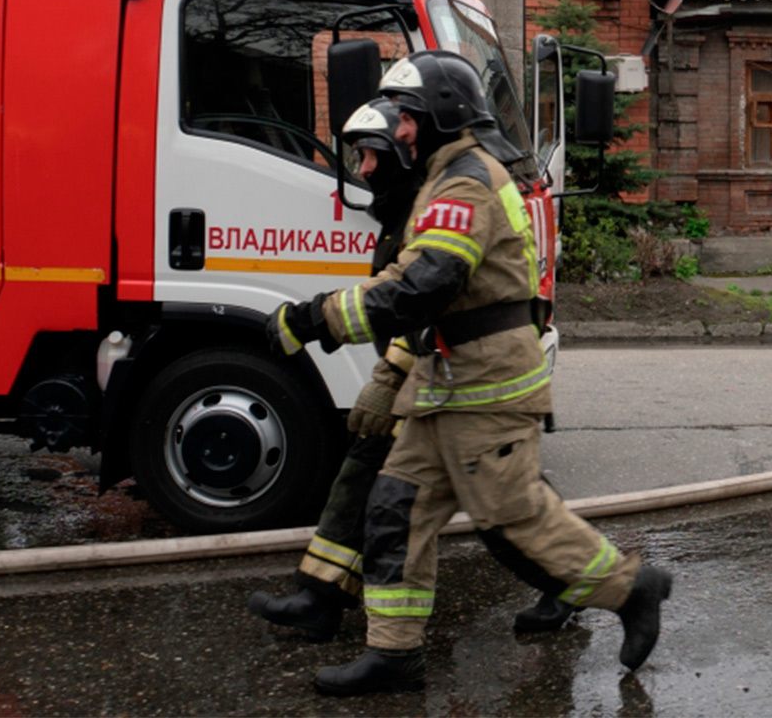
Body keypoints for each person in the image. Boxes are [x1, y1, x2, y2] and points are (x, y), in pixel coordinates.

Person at [268, 51, 672, 695]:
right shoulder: (443, 175)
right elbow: (416, 280)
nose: (396, 130)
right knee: (395, 513)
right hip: (448, 384)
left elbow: (425, 283)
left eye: (405, 116)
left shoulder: (465, 182)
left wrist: (316, 320)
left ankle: (631, 588)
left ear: (439, 115)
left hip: (487, 386)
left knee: (515, 520)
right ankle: (394, 655)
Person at [248, 100, 577, 642]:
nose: (364, 168)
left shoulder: (438, 204)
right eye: (360, 156)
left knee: (502, 503)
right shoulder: (411, 203)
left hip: (462, 370)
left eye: (374, 154)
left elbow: (421, 302)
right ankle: (323, 595)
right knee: (385, 476)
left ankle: (579, 583)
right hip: (441, 369)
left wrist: (385, 379)